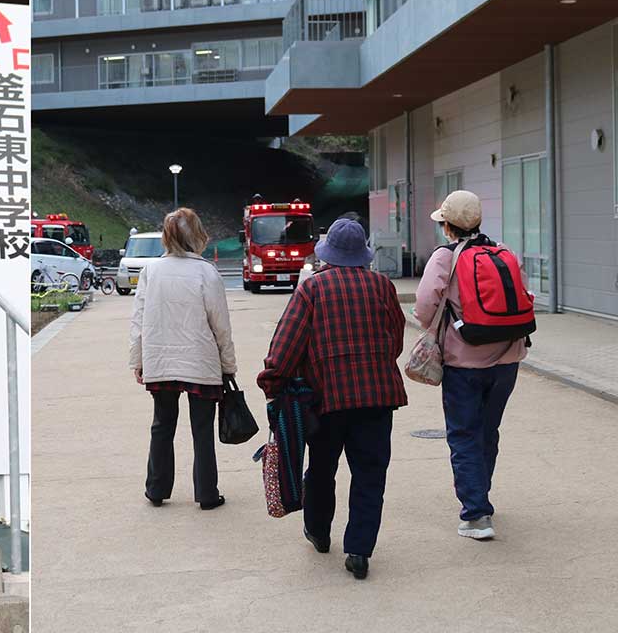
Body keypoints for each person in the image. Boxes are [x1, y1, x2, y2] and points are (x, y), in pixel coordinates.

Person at [258, 217, 407, 581]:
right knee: (370, 474)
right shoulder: (382, 286)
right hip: (377, 398)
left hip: (325, 400)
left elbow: (286, 344)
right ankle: (359, 549)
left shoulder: (312, 289)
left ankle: (319, 532)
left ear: (328, 256)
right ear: (362, 256)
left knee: (322, 470)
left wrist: (272, 381)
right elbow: (397, 336)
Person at [415, 189, 526, 542]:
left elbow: (422, 307)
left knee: (463, 434)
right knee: (487, 431)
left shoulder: (445, 258)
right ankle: (481, 495)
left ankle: (476, 514)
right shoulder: (505, 253)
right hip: (508, 359)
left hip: (464, 362)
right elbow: (525, 297)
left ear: (447, 226)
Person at [129, 208, 237, 510]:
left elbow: (138, 320)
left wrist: (138, 360)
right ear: (197, 234)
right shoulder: (206, 272)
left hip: (160, 360)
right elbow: (221, 325)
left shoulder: (151, 271)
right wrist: (228, 365)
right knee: (202, 429)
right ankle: (206, 493)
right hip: (200, 360)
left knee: (162, 424)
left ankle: (156, 489)